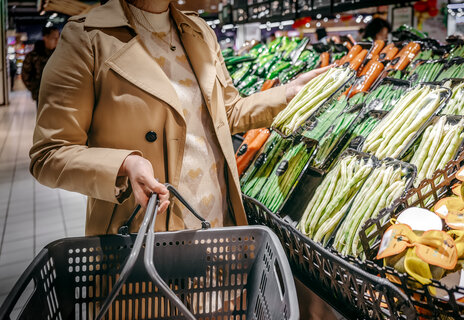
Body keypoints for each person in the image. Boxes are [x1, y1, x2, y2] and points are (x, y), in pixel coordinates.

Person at [29, 0, 327, 236]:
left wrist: (288, 93)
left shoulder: (198, 31)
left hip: (216, 222)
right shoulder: (86, 38)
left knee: (219, 310)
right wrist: (125, 163)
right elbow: (50, 154)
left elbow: (227, 113)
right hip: (144, 231)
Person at [21, 26, 59, 103]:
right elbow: (25, 75)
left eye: (58, 38)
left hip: (59, 94)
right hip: (41, 96)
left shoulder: (59, 54)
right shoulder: (33, 56)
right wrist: (36, 89)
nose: (57, 41)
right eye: (54, 38)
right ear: (45, 38)